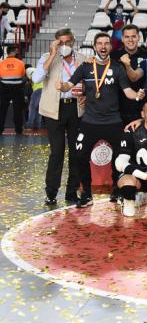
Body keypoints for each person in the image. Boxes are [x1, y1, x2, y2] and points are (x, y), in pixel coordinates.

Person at [56, 33, 144, 208]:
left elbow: (128, 92)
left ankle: (117, 190)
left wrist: (138, 96)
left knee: (120, 159)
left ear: (111, 47)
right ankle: (87, 194)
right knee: (80, 156)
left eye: (106, 43)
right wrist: (62, 86)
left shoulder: (118, 68)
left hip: (113, 122)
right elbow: (69, 84)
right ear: (95, 47)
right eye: (99, 44)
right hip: (89, 122)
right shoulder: (86, 66)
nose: (103, 47)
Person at [33, 28, 87, 206]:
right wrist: (52, 54)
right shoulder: (46, 57)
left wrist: (86, 93)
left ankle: (72, 192)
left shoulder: (82, 59)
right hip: (54, 110)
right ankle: (51, 193)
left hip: (75, 109)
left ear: (74, 41)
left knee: (75, 152)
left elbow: (89, 83)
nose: (65, 46)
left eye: (68, 42)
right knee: (56, 152)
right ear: (56, 43)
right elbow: (37, 78)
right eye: (61, 42)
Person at [113, 24, 147, 125]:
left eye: (133, 36)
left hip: (141, 108)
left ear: (138, 37)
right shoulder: (114, 56)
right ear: (122, 39)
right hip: (119, 109)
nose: (130, 40)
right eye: (127, 37)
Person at [0, 45, 26, 134]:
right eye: (16, 50)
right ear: (14, 51)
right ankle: (18, 130)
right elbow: (23, 76)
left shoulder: (2, 63)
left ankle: (0, 129)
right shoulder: (20, 63)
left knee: (2, 109)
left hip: (4, 87)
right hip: (17, 88)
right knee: (18, 110)